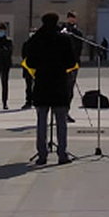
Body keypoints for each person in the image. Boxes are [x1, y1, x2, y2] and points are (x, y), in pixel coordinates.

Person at [22, 12, 78, 166]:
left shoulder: (36, 39)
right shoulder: (64, 39)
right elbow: (71, 62)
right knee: (61, 120)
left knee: (41, 121)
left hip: (42, 83)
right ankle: (62, 154)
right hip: (59, 83)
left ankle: (42, 155)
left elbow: (30, 63)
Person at [63, 11, 84, 122]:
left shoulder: (78, 33)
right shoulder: (63, 31)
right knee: (62, 89)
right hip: (62, 64)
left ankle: (66, 112)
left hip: (73, 64)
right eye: (70, 18)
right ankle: (60, 112)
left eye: (73, 18)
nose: (71, 20)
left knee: (70, 89)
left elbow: (79, 48)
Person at [20, 27, 36, 109]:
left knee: (37, 86)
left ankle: (36, 101)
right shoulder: (26, 44)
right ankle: (28, 101)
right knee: (28, 86)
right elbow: (23, 56)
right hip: (28, 68)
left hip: (37, 68)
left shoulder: (39, 44)